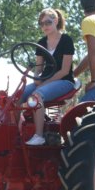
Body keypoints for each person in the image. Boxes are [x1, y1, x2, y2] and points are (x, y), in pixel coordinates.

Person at [20, 8, 75, 145]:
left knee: (36, 96)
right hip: (44, 80)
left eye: (48, 23)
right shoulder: (41, 42)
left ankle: (39, 136)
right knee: (15, 96)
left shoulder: (66, 40)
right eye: (41, 23)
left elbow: (64, 70)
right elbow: (39, 67)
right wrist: (37, 78)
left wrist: (44, 83)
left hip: (64, 81)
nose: (44, 26)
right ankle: (16, 132)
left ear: (56, 21)